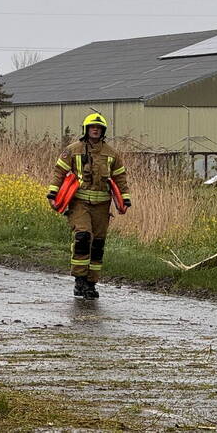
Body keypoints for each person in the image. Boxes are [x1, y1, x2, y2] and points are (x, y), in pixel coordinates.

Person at [46, 113, 131, 299]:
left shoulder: (112, 154)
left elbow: (120, 178)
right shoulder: (72, 150)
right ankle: (80, 281)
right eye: (92, 127)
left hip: (102, 205)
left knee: (98, 244)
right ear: (86, 129)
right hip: (79, 203)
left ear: (103, 131)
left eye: (99, 128)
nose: (95, 130)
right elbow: (59, 173)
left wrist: (125, 199)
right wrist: (53, 194)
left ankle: (91, 283)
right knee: (83, 237)